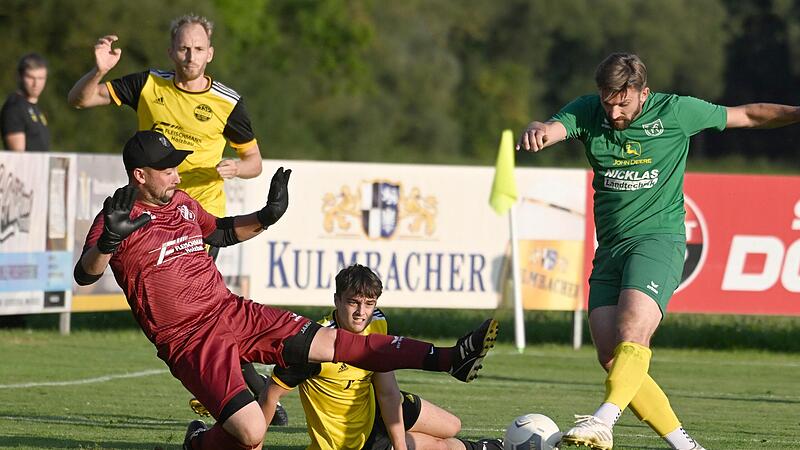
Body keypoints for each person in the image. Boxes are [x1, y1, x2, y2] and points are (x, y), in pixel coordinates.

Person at [73, 130, 499, 450]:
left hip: (229, 310)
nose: (177, 173)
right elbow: (85, 274)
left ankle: (450, 358)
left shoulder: (183, 201)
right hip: (189, 339)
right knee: (252, 433)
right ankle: (199, 444)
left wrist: (266, 216)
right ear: (139, 175)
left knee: (337, 342)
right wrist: (109, 242)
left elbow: (219, 232)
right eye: (167, 169)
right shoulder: (117, 215)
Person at [517, 52, 800, 450]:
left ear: (643, 93)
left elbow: (749, 115)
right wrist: (538, 129)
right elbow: (553, 127)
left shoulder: (677, 111)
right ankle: (686, 446)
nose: (614, 113)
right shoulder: (587, 111)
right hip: (610, 248)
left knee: (632, 332)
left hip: (657, 241)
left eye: (623, 103)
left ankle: (603, 420)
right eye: (607, 102)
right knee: (612, 357)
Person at [67, 13, 272, 420]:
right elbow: (80, 100)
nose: (190, 56)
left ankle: (241, 395)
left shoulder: (228, 102)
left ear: (210, 54)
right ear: (171, 50)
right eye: (183, 47)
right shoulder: (148, 84)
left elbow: (254, 161)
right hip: (149, 214)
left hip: (197, 219)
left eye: (198, 49)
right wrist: (98, 70)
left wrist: (237, 167)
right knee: (191, 320)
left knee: (199, 316)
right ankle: (249, 392)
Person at [262, 264, 504, 450]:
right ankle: (489, 446)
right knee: (441, 446)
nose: (361, 313)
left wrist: (400, 446)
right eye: (353, 303)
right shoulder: (313, 345)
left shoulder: (377, 321)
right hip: (357, 441)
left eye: (369, 303)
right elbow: (270, 394)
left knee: (453, 426)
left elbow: (387, 390)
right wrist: (253, 443)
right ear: (336, 301)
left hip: (375, 404)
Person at [1, 53, 49, 151]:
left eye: (40, 78)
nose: (36, 83)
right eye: (30, 77)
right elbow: (18, 157)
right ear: (19, 77)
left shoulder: (35, 108)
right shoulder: (14, 108)